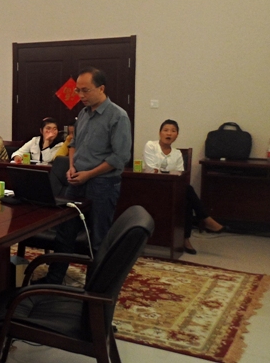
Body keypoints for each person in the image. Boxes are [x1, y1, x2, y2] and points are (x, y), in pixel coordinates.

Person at [41, 67, 132, 285]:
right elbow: (73, 144)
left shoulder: (118, 116)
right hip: (76, 181)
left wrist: (89, 174)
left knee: (98, 237)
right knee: (65, 231)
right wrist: (71, 167)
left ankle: (95, 286)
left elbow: (120, 157)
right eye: (78, 90)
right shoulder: (83, 114)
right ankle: (54, 279)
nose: (80, 95)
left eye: (85, 90)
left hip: (102, 183)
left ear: (101, 88)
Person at [143, 119, 227, 254]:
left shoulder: (177, 154)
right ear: (160, 133)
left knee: (186, 198)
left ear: (177, 135)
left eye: (173, 131)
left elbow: (180, 175)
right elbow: (151, 170)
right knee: (187, 191)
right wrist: (168, 174)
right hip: (153, 186)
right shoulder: (151, 146)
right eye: (165, 130)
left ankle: (186, 237)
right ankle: (203, 220)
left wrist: (166, 173)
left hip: (172, 189)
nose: (169, 133)